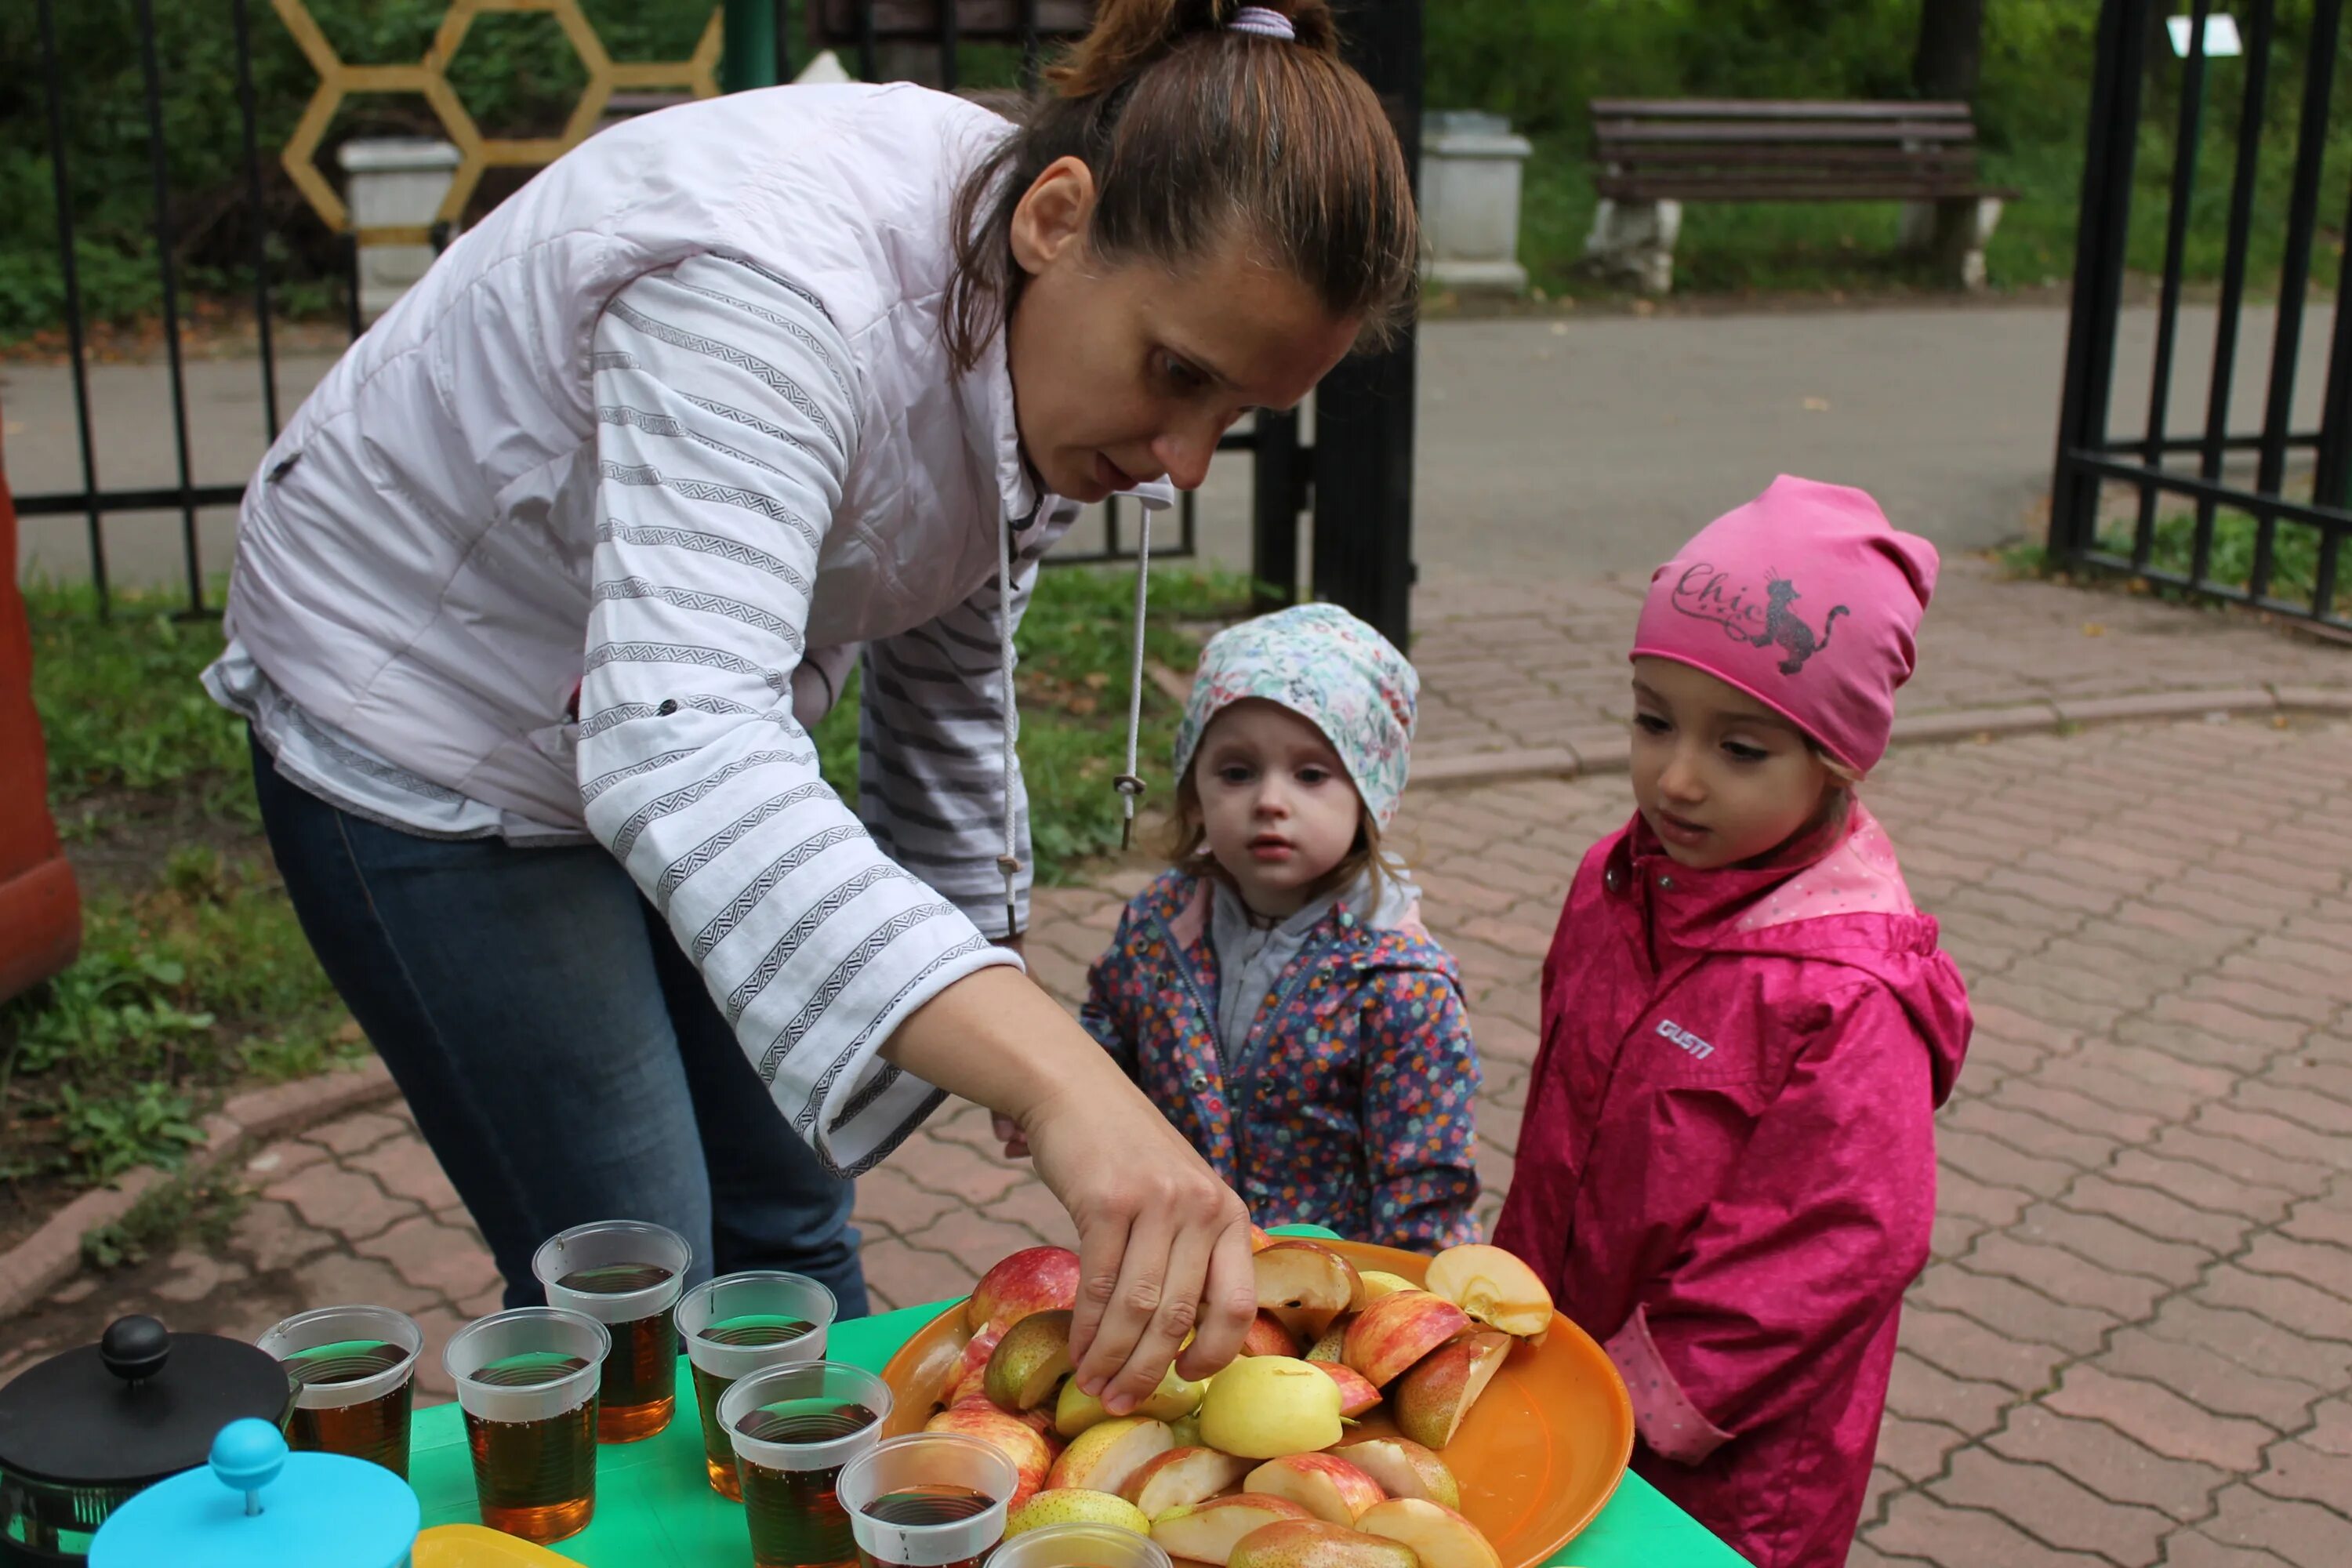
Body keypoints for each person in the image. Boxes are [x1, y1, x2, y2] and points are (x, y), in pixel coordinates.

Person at [203, 0, 1417, 1410]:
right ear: (1058, 219)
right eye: (1180, 378)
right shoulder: (771, 289)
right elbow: (682, 749)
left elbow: (952, 668)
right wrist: (1056, 1081)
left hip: (655, 703)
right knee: (637, 1261)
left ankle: (846, 1507)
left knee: (789, 1205)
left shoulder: (1046, 292)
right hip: (425, 706)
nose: (1183, 463)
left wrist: (992, 990)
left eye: (1237, 416)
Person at [1491, 476, 1972, 1568]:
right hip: (1557, 1366)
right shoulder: (1616, 882)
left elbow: (1840, 1241)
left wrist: (1641, 1397)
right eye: (1653, 721)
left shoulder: (1845, 997)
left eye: (1741, 750)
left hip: (1727, 1459)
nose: (1676, 777)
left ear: (1837, 760)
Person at [1004, 604, 1479, 1250]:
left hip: (1324, 1297)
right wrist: (1052, 1093)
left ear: (1371, 790)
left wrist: (1419, 1311)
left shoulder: (1401, 985)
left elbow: (1424, 1188)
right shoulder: (1158, 926)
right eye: (1237, 771)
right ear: (1194, 789)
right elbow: (1110, 1039)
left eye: (1312, 774)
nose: (1270, 801)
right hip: (1170, 1255)